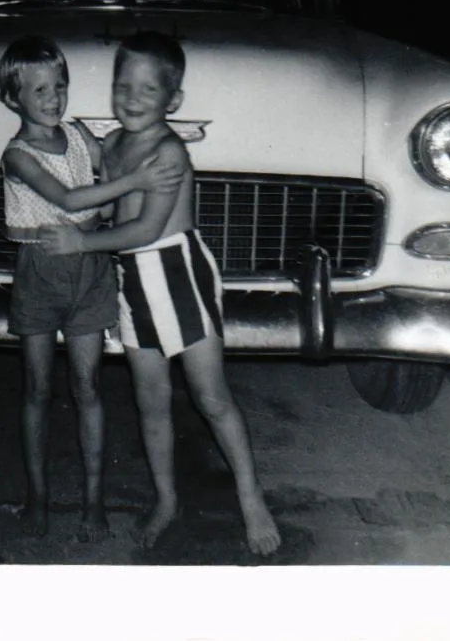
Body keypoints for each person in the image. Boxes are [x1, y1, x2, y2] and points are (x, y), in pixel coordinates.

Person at [39, 31, 281, 555]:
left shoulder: (169, 152)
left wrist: (81, 242)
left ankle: (251, 497)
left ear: (173, 100)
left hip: (178, 273)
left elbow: (147, 228)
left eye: (148, 90)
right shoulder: (113, 145)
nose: (131, 98)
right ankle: (167, 501)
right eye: (122, 86)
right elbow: (110, 206)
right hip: (134, 281)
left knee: (211, 398)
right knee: (151, 402)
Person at [0, 35, 181, 541]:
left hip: (91, 268)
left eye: (60, 86)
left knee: (88, 386)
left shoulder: (78, 133)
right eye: (39, 90)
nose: (54, 98)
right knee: (37, 388)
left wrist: (158, 149)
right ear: (13, 98)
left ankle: (93, 502)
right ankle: (37, 498)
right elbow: (70, 198)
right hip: (39, 272)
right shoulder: (17, 156)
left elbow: (112, 165)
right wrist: (136, 183)